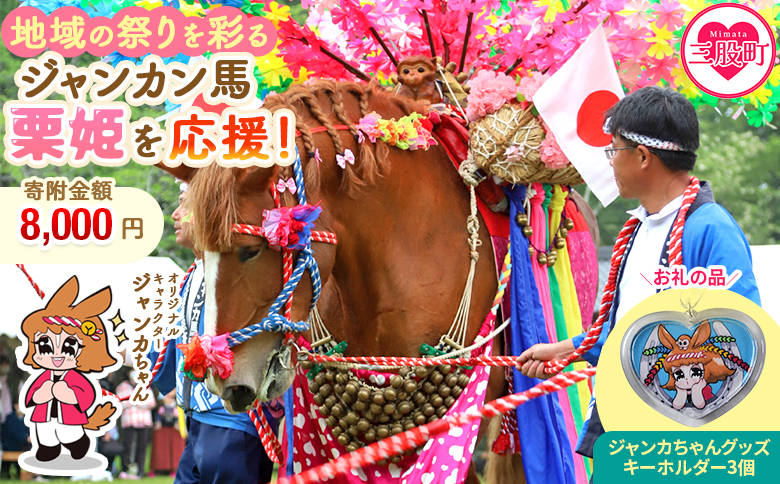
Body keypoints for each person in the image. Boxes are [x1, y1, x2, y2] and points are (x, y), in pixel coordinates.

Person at [517, 86, 761, 464]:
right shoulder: (638, 231)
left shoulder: (710, 229)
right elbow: (629, 331)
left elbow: (740, 341)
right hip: (627, 422)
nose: (610, 161)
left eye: (613, 149)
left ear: (643, 156)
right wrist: (568, 350)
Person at [148, 181, 276, 484]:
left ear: (211, 211)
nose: (175, 215)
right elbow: (175, 346)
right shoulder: (193, 274)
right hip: (199, 420)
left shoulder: (238, 277)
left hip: (233, 420)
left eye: (184, 204)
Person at [116, 371, 155, 479]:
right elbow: (120, 403)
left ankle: (140, 471)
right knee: (128, 446)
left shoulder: (145, 386)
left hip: (144, 421)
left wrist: (133, 401)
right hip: (129, 422)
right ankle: (125, 470)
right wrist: (137, 401)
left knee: (142, 447)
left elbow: (151, 403)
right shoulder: (122, 387)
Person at [150, 390, 186, 477]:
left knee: (176, 449)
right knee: (161, 448)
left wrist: (179, 424)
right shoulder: (161, 408)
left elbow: (181, 417)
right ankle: (158, 468)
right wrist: (158, 422)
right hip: (163, 429)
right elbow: (158, 416)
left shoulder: (178, 407)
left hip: (174, 430)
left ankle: (174, 468)